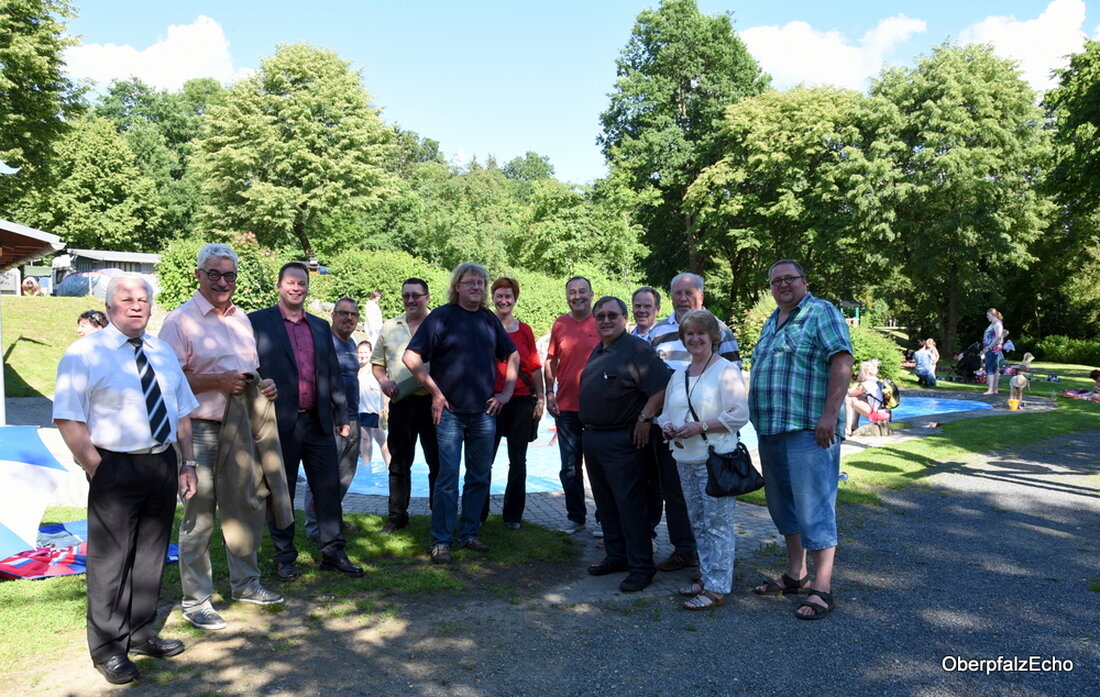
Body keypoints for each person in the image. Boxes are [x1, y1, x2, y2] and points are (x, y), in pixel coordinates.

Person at [53, 275, 199, 684]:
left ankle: (139, 631)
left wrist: (187, 463)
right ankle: (106, 646)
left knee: (151, 555)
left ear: (151, 306)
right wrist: (96, 466)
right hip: (114, 466)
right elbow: (68, 416)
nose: (136, 305)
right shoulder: (85, 353)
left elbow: (182, 412)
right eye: (126, 299)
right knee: (111, 560)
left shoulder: (162, 352)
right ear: (110, 305)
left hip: (161, 464)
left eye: (142, 299)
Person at [160, 243, 285, 632]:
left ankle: (246, 584)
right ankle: (196, 601)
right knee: (199, 516)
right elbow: (167, 381)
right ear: (198, 275)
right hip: (198, 429)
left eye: (229, 275)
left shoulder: (241, 319)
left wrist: (264, 387)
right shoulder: (180, 321)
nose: (222, 282)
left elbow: (250, 371)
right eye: (213, 274)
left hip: (241, 427)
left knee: (246, 505)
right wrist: (216, 380)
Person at [749, 260, 853, 621]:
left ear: (804, 281)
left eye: (789, 278)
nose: (782, 285)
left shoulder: (820, 312)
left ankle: (821, 587)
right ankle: (796, 573)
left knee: (815, 508)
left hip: (810, 429)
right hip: (772, 428)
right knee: (782, 508)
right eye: (776, 281)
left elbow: (841, 360)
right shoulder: (771, 321)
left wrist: (830, 414)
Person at [249, 262, 364, 581]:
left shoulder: (318, 326)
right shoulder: (258, 322)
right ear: (279, 286)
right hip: (277, 422)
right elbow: (246, 369)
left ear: (307, 287)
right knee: (280, 491)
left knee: (327, 489)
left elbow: (332, 375)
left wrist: (342, 416)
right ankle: (284, 556)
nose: (296, 287)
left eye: (301, 283)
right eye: (290, 282)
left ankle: (333, 551)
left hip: (318, 423)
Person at [404, 263, 519, 564]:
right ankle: (441, 540)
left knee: (480, 476)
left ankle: (469, 534)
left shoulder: (489, 320)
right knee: (448, 478)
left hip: (484, 413)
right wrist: (435, 392)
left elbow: (512, 354)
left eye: (482, 283)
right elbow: (411, 356)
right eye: (471, 283)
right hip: (451, 413)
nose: (478, 288)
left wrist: (506, 393)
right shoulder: (441, 317)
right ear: (457, 286)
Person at [645, 273, 741, 572]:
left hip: (711, 438)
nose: (683, 297)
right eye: (677, 292)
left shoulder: (720, 330)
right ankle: (684, 550)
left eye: (689, 292)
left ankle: (715, 570)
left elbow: (734, 387)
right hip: (673, 434)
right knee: (675, 495)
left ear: (702, 295)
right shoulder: (658, 331)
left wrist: (704, 424)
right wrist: (661, 422)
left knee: (713, 510)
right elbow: (652, 380)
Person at [657, 310, 749, 610]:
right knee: (698, 522)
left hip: (715, 460)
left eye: (700, 333)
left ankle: (718, 587)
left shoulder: (725, 370)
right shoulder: (679, 375)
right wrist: (668, 426)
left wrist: (702, 425)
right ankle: (706, 577)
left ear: (713, 337)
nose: (695, 338)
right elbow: (667, 413)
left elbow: (740, 415)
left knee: (718, 524)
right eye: (689, 334)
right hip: (685, 458)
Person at [579, 296, 670, 593]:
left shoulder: (636, 349)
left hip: (624, 439)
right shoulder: (600, 349)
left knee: (630, 505)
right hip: (594, 436)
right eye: (601, 316)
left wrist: (644, 418)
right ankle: (617, 556)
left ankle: (642, 566)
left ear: (624, 318)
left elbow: (662, 386)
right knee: (606, 504)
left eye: (612, 316)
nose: (606, 320)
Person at [372, 278, 440, 534]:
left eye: (416, 295)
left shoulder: (440, 324)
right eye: (406, 296)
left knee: (438, 462)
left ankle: (439, 514)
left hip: (434, 403)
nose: (410, 300)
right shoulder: (390, 327)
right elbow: (377, 364)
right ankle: (397, 515)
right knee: (399, 462)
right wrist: (383, 380)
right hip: (401, 402)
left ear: (427, 297)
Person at [481, 277, 544, 529]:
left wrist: (541, 398)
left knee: (518, 460)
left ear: (515, 299)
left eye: (508, 296)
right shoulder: (483, 326)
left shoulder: (525, 330)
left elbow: (535, 366)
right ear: (492, 298)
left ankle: (512, 516)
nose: (503, 300)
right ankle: (479, 513)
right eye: (499, 295)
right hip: (490, 401)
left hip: (520, 401)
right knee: (484, 460)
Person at [545, 276, 601, 535]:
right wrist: (549, 393)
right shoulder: (560, 324)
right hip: (566, 407)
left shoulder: (602, 321)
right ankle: (576, 516)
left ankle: (605, 519)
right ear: (566, 296)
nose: (577, 296)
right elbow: (551, 361)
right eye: (571, 292)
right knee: (569, 467)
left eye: (582, 291)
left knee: (599, 466)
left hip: (598, 407)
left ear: (591, 294)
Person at [305, 298, 362, 540]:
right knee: (323, 476)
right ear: (333, 316)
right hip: (332, 420)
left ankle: (332, 517)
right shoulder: (324, 343)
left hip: (353, 416)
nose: (348, 318)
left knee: (345, 474)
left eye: (353, 315)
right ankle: (314, 526)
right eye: (343, 313)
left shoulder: (351, 343)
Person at [356, 340, 389, 467]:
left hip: (374, 410)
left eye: (365, 352)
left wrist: (385, 406)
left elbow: (384, 387)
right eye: (360, 352)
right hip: (360, 409)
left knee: (380, 440)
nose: (362, 355)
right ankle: (366, 468)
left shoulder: (375, 369)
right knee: (366, 440)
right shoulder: (355, 369)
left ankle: (389, 467)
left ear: (370, 353)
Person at [845, 360, 889, 436]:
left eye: (860, 372)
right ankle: (854, 425)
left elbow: (850, 393)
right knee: (858, 397)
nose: (859, 374)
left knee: (849, 399)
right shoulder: (877, 381)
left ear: (866, 372)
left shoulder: (868, 384)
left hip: (876, 415)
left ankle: (848, 429)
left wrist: (857, 381)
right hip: (883, 413)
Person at [981, 308, 1006, 395]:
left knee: (990, 368)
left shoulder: (997, 323)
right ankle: (994, 389)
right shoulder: (994, 323)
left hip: (993, 349)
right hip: (991, 349)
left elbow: (998, 336)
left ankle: (991, 389)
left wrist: (988, 347)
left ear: (993, 315)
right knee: (994, 368)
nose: (987, 317)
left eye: (988, 315)